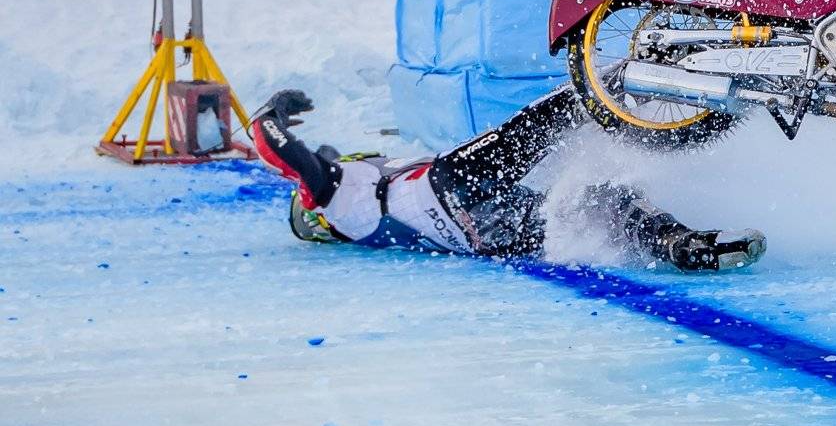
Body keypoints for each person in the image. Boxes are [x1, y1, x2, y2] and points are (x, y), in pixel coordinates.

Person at [252, 88, 765, 271]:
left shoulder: (358, 212)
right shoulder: (332, 199)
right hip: (452, 186)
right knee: (559, 113)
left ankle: (682, 245)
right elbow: (280, 146)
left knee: (600, 205)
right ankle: (637, 86)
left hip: (488, 237)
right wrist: (272, 109)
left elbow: (323, 154)